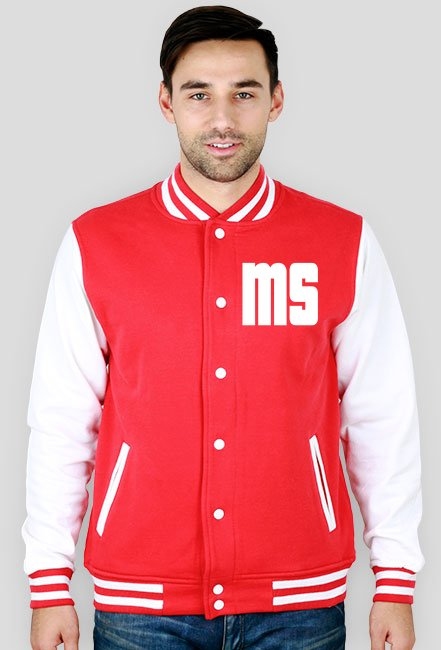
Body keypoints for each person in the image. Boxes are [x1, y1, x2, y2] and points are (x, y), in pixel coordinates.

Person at [22, 5, 424, 649]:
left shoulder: (340, 240)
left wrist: (396, 581)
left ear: (276, 100)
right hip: (141, 604)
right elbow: (63, 419)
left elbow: (382, 415)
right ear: (166, 102)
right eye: (198, 94)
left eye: (244, 93)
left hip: (299, 600)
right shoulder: (98, 242)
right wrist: (48, 582)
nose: (222, 119)